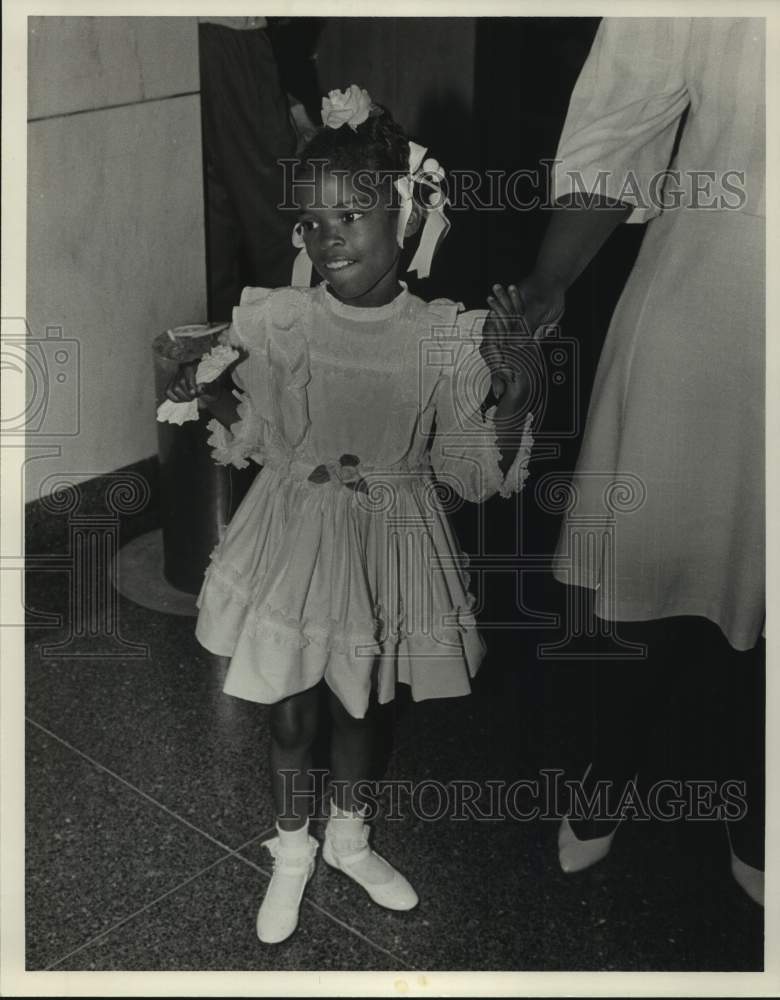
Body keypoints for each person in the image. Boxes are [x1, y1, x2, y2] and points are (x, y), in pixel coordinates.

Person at [166, 85, 535, 944]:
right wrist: (214, 396)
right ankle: (290, 850)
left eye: (353, 216)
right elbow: (258, 436)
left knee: (365, 706)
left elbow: (467, 470)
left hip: (389, 542)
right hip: (295, 534)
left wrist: (512, 399)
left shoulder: (442, 335)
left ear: (406, 219)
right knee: (293, 708)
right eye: (312, 223)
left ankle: (350, 837)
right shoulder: (284, 319)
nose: (328, 238)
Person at [485, 17, 765, 904]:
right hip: (711, 285)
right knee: (646, 558)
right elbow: (621, 126)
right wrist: (544, 287)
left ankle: (760, 796)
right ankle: (613, 759)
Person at [197, 16, 300, 320]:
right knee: (274, 214)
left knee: (214, 221)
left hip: (197, 40)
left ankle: (229, 348)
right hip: (229, 38)